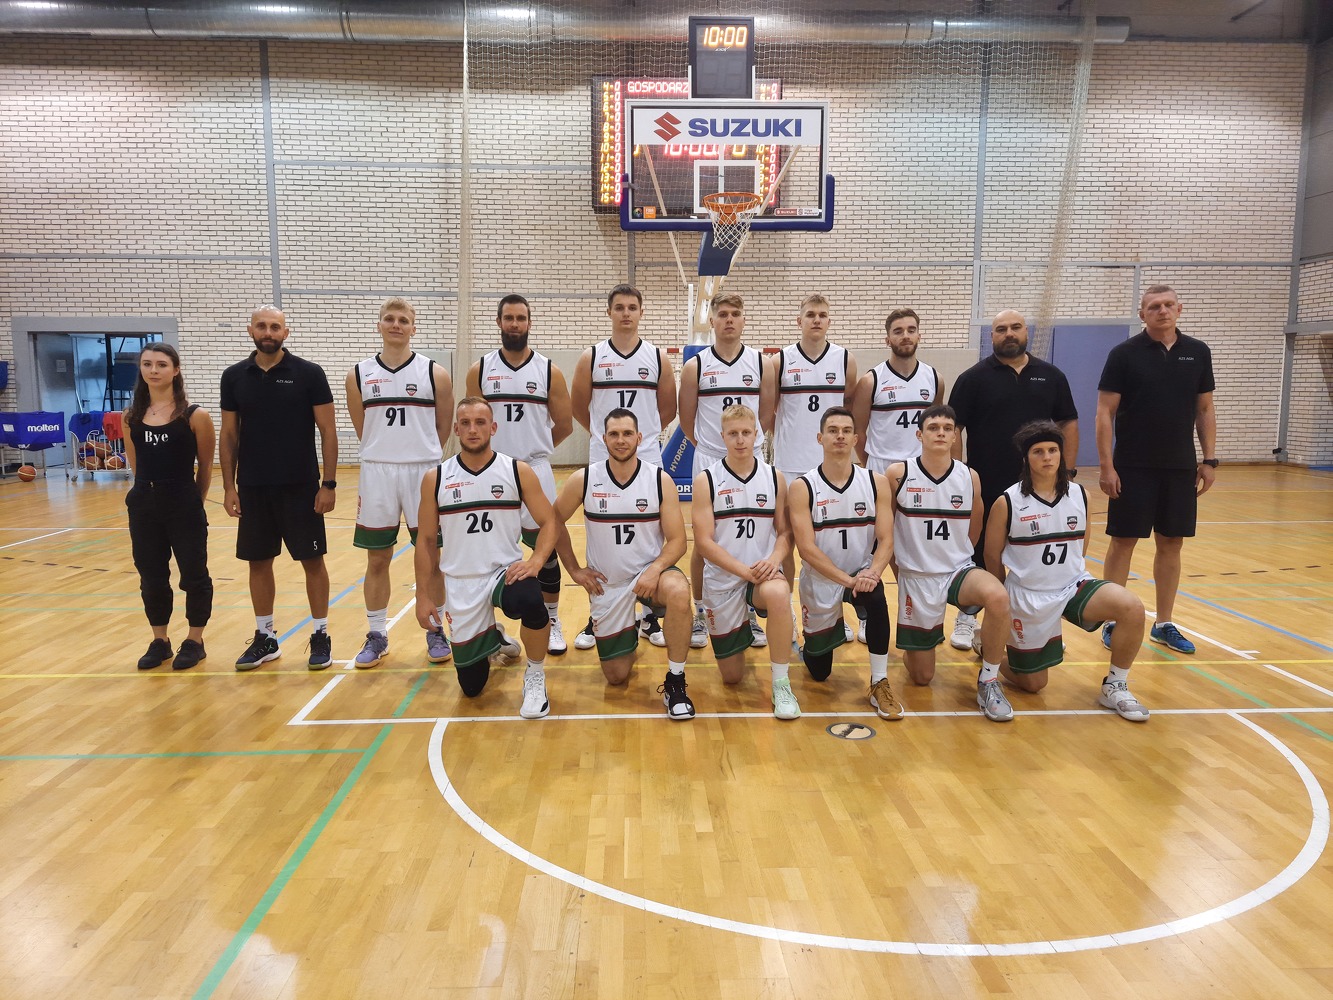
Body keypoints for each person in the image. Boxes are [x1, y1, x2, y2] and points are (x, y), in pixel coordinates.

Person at [983, 421, 1149, 721]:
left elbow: (1080, 548)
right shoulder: (1007, 502)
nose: (1047, 457)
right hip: (1028, 596)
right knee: (1034, 684)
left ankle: (1115, 685)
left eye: (1053, 450)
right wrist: (1002, 606)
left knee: (1132, 607)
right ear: (1026, 459)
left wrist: (1066, 575)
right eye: (1038, 451)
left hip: (1072, 586)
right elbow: (991, 556)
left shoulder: (1080, 495)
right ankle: (990, 648)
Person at [413, 397, 560, 719]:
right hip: (460, 582)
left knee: (531, 599)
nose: (473, 429)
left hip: (503, 572)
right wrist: (423, 596)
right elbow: (425, 541)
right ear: (456, 430)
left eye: (480, 422)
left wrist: (536, 561)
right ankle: (495, 637)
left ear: (493, 428)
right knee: (472, 686)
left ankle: (535, 675)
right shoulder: (435, 478)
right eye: (465, 423)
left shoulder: (516, 471)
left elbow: (550, 521)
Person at [946, 309, 1078, 654]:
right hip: (988, 482)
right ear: (991, 336)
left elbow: (1068, 421)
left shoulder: (1052, 376)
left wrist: (1067, 471)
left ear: (1026, 332)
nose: (1009, 333)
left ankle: (1034, 622)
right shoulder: (973, 378)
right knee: (978, 552)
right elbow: (954, 428)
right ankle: (968, 617)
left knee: (1032, 554)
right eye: (1001, 329)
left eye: (1015, 327)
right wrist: (960, 475)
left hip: (1039, 487)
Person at [552, 408, 696, 720]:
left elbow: (677, 541)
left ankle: (676, 681)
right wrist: (574, 569)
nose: (621, 440)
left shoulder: (659, 480)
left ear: (640, 438)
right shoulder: (584, 479)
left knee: (678, 590)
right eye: (614, 434)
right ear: (603, 439)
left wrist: (655, 569)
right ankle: (627, 630)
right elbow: (553, 522)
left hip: (649, 577)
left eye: (627, 433)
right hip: (608, 585)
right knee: (616, 676)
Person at [1096, 284, 1217, 654]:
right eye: (1153, 307)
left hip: (1179, 467)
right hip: (1132, 466)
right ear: (1142, 314)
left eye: (1167, 305)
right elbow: (1105, 413)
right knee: (1123, 542)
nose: (1162, 311)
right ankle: (1112, 619)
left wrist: (1209, 459)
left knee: (1171, 543)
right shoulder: (1124, 354)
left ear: (1179, 308)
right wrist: (1106, 465)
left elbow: (1205, 409)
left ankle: (1164, 623)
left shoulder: (1198, 352)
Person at [220, 306, 339, 671]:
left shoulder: (309, 373)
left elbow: (328, 431)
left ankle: (320, 634)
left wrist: (328, 483)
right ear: (250, 330)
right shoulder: (233, 376)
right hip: (253, 487)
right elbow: (229, 434)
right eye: (262, 326)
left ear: (286, 333)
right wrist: (228, 487)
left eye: (275, 327)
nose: (268, 332)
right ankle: (266, 637)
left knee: (312, 562)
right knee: (258, 562)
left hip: (301, 487)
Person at [345, 297, 454, 669]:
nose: (396, 325)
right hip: (378, 471)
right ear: (379, 325)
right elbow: (363, 427)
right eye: (389, 319)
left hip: (423, 471)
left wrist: (421, 454)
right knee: (378, 557)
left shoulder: (435, 373)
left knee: (432, 556)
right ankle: (377, 633)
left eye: (403, 320)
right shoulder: (358, 374)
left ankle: (436, 630)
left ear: (413, 328)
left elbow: (442, 428)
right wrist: (386, 450)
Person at [886, 405, 1014, 722]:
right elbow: (885, 532)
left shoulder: (969, 476)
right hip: (917, 577)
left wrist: (958, 555)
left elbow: (975, 527)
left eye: (947, 428)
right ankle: (916, 649)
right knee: (922, 677)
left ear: (955, 436)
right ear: (920, 434)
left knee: (998, 596)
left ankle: (989, 680)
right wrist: (900, 572)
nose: (941, 433)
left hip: (957, 570)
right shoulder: (898, 474)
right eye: (933, 428)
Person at [570, 284, 678, 651]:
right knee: (600, 531)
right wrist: (607, 438)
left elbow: (667, 408)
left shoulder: (657, 357)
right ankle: (598, 612)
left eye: (632, 307)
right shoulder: (592, 356)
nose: (626, 313)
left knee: (652, 531)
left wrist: (639, 438)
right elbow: (579, 406)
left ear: (641, 312)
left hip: (646, 453)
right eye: (619, 307)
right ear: (609, 312)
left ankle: (648, 615)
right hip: (604, 453)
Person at [467, 294, 575, 656]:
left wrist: (534, 450)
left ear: (529, 323)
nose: (515, 324)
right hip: (489, 471)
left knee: (546, 548)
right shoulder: (480, 369)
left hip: (534, 469)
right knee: (485, 551)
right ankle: (488, 628)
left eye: (521, 318)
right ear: (499, 322)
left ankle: (552, 620)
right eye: (509, 318)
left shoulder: (548, 371)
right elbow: (472, 423)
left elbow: (564, 425)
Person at [787, 407, 902, 720]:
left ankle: (880, 682)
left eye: (846, 431)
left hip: (861, 573)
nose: (840, 436)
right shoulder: (803, 486)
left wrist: (872, 573)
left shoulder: (875, 482)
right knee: (819, 672)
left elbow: (886, 539)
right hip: (821, 579)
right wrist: (847, 581)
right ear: (820, 438)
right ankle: (812, 643)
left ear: (856, 438)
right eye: (833, 430)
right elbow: (806, 549)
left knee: (876, 598)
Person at [678, 292, 775, 652]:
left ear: (743, 320)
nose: (729, 319)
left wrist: (744, 445)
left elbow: (766, 414)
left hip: (750, 459)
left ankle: (750, 609)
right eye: (723, 314)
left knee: (754, 539)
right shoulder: (696, 366)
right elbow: (686, 419)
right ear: (713, 321)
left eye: (736, 313)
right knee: (706, 542)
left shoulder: (762, 363)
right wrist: (713, 446)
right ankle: (701, 611)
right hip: (710, 458)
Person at [691, 405, 799, 719]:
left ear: (757, 436)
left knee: (778, 593)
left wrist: (774, 559)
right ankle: (742, 628)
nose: (740, 440)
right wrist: (745, 571)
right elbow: (703, 543)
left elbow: (785, 532)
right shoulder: (706, 480)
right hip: (724, 579)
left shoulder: (774, 477)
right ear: (722, 436)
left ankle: (781, 684)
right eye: (733, 434)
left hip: (762, 576)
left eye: (746, 433)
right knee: (732, 677)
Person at [768, 294, 859, 646]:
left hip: (830, 469)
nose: (816, 320)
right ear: (799, 320)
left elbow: (847, 407)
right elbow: (769, 411)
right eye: (810, 315)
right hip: (790, 465)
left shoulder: (845, 359)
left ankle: (833, 615)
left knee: (828, 545)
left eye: (822, 315)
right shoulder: (780, 361)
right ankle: (789, 613)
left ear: (829, 321)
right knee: (788, 541)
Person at [123, 343, 216, 671]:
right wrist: (149, 496)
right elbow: (137, 466)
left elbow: (206, 467)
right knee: (151, 576)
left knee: (194, 574)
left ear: (175, 370)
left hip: (184, 505)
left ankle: (194, 640)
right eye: (147, 364)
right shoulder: (131, 417)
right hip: (144, 506)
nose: (153, 370)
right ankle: (160, 641)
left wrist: (193, 503)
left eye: (161, 364)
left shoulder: (195, 416)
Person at [852, 307, 943, 475]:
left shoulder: (935, 378)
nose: (906, 336)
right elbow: (858, 431)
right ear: (887, 340)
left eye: (911, 330)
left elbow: (937, 426)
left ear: (919, 336)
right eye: (898, 331)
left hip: (922, 465)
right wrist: (871, 464)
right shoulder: (870, 381)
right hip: (881, 466)